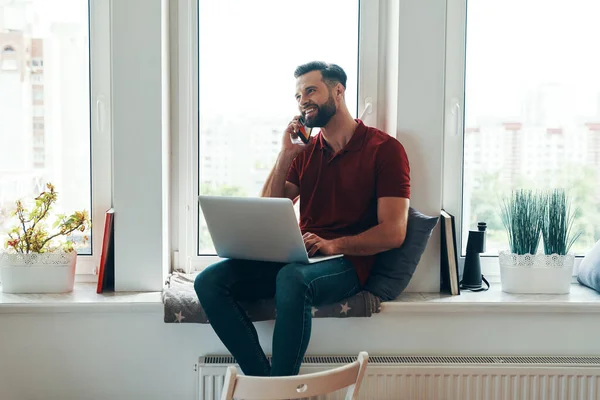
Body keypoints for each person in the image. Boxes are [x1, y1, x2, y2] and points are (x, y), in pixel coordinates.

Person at [194, 61, 411, 377]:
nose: (302, 100)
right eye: (297, 96)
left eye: (311, 90)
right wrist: (285, 155)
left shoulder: (385, 150)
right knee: (209, 281)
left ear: (338, 91)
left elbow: (394, 232)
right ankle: (266, 384)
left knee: (292, 278)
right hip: (301, 257)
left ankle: (277, 390)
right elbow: (268, 210)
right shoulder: (304, 151)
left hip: (348, 262)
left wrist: (330, 244)